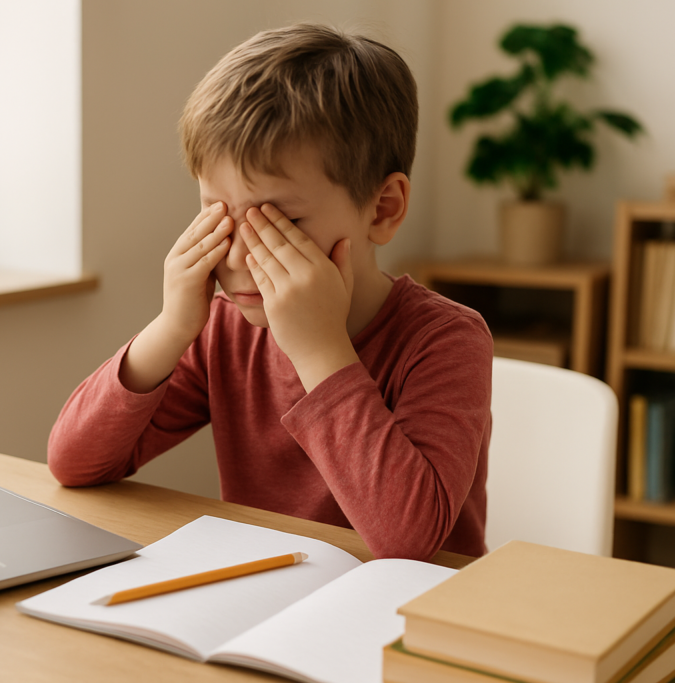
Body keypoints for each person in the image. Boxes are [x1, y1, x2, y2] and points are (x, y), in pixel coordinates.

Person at [47, 23, 492, 561]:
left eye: (278, 222)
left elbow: (409, 544)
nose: (236, 256)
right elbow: (74, 463)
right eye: (217, 216)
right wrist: (172, 327)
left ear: (383, 209)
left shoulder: (445, 340)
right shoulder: (224, 329)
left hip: (411, 620)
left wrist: (319, 350)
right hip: (270, 605)